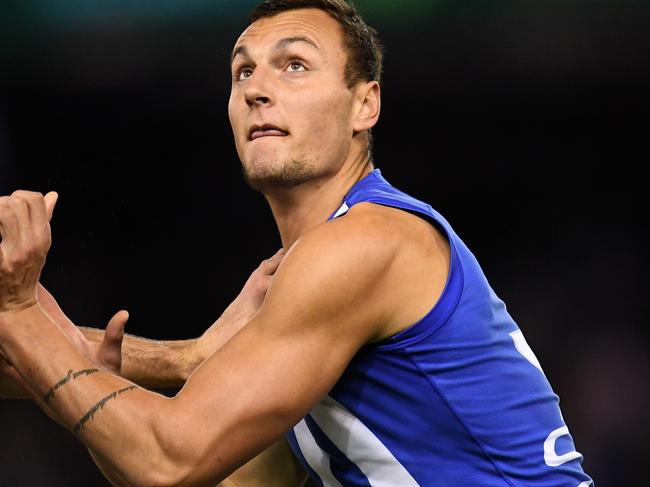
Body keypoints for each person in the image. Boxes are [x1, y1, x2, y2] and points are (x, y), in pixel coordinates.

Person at [0, 0, 593, 485]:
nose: (258, 88)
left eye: (294, 65)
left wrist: (22, 312)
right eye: (243, 71)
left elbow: (167, 461)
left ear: (366, 104)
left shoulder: (366, 243)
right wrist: (83, 369)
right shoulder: (303, 288)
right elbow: (200, 476)